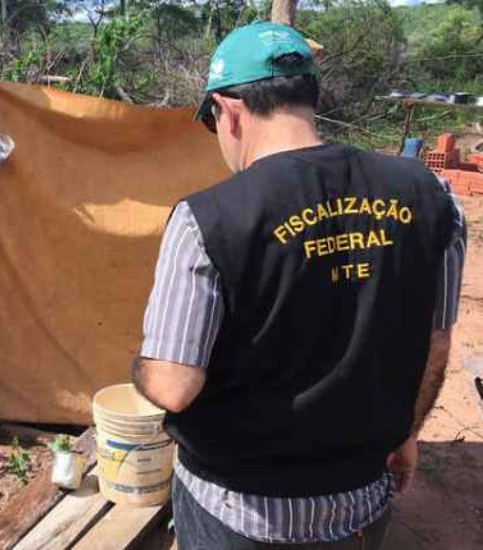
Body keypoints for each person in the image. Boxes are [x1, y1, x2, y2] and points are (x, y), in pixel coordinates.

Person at [132, 21, 466, 550]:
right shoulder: (433, 196)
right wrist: (406, 431)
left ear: (228, 111)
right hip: (361, 499)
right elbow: (437, 339)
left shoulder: (207, 219)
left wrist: (143, 364)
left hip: (239, 512)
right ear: (308, 96)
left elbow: (174, 386)